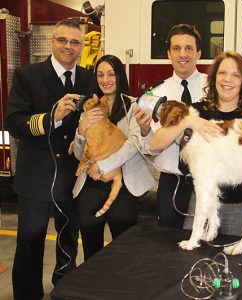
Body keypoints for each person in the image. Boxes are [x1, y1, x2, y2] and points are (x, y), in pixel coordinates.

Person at [6, 19, 94, 299]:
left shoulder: (88, 79)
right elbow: (15, 123)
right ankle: (27, 294)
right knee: (30, 242)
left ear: (82, 47)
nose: (69, 47)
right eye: (63, 40)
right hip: (36, 176)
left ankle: (64, 289)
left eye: (75, 42)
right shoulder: (27, 75)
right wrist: (51, 119)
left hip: (72, 175)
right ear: (52, 42)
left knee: (68, 240)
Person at [147, 51, 242, 236]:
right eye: (222, 73)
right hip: (201, 201)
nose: (227, 80)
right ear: (214, 77)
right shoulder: (197, 110)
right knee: (191, 257)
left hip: (239, 206)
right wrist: (187, 121)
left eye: (236, 75)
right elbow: (155, 144)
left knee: (235, 260)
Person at [71, 55, 156, 260]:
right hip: (92, 181)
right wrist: (81, 130)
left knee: (123, 243)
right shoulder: (90, 108)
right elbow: (78, 154)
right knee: (90, 241)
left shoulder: (134, 106)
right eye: (100, 74)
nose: (105, 79)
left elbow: (133, 144)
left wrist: (102, 165)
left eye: (111, 74)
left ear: (120, 76)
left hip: (126, 181)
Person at [135, 24, 207, 228]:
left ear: (198, 53)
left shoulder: (213, 89)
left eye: (189, 48)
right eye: (176, 48)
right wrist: (144, 131)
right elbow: (149, 148)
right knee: (168, 243)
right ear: (169, 53)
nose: (182, 54)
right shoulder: (155, 94)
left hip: (205, 177)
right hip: (171, 181)